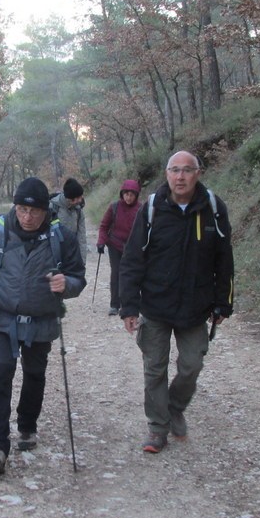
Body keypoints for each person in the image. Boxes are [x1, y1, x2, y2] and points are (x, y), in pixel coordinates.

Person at [118, 151, 234, 454]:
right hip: (155, 305)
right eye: (174, 170)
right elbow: (132, 259)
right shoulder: (154, 208)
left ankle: (175, 406)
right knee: (154, 369)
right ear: (166, 174)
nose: (180, 177)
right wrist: (128, 306)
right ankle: (157, 428)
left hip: (196, 306)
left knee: (192, 364)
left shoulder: (213, 208)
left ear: (198, 173)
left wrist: (224, 302)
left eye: (186, 170)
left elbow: (224, 260)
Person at [0, 177, 86, 475]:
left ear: (46, 210)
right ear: (15, 207)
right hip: (3, 317)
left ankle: (27, 425)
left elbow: (77, 278)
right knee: (0, 373)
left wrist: (67, 284)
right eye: (22, 209)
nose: (28, 216)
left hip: (42, 319)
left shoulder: (62, 237)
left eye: (35, 211)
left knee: (34, 374)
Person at [96, 179, 142, 316]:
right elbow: (104, 226)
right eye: (126, 194)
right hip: (115, 245)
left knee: (131, 275)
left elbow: (145, 229)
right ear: (122, 194)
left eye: (132, 195)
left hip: (132, 247)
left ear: (136, 195)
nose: (128, 197)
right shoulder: (114, 207)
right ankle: (114, 304)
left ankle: (130, 304)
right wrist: (100, 242)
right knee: (116, 273)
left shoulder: (141, 209)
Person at [48, 177, 88, 252]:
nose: (80, 200)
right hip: (56, 252)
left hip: (73, 251)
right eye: (78, 197)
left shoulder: (78, 210)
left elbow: (81, 236)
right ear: (70, 199)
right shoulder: (52, 207)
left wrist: (82, 260)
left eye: (81, 196)